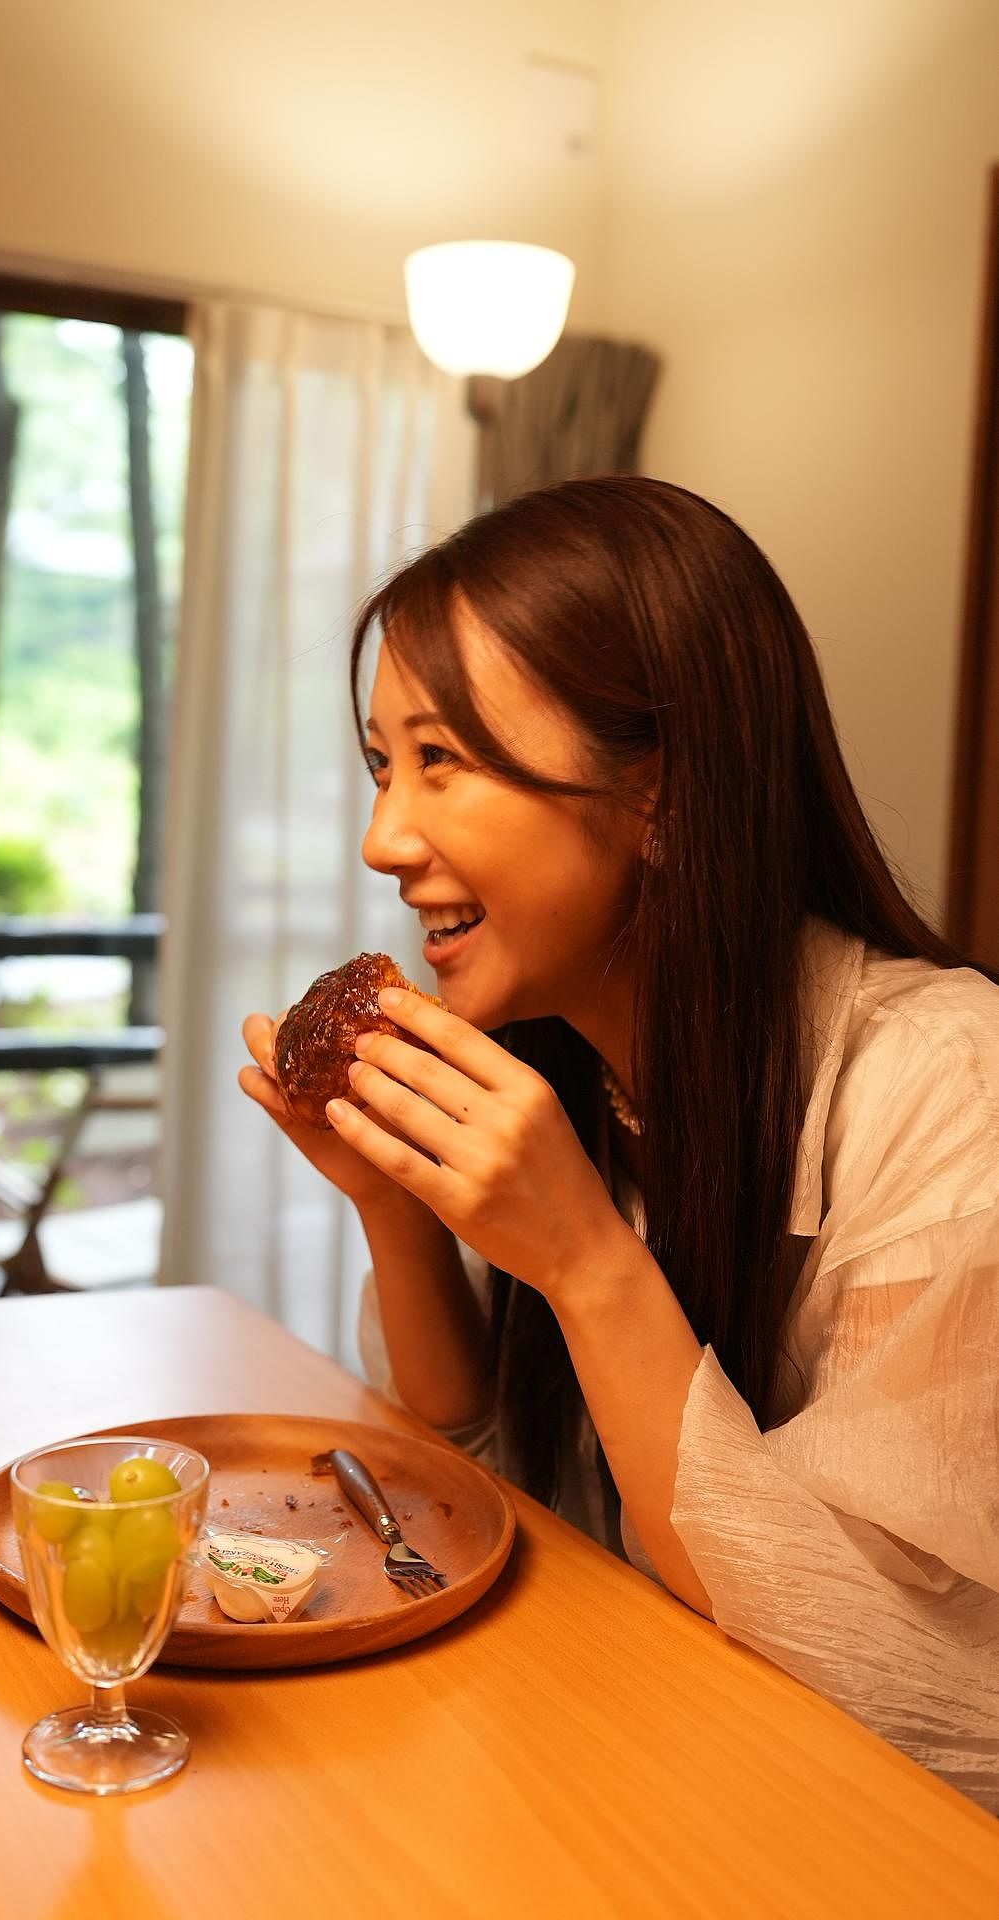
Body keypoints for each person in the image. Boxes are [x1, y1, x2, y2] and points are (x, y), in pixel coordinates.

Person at [237, 476, 999, 1813]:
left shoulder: (942, 1082)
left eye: (442, 759)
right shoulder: (561, 1056)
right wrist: (392, 1204)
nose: (381, 839)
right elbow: (483, 1492)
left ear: (658, 790)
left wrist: (589, 1264)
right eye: (381, 766)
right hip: (605, 1766)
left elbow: (905, 1687)